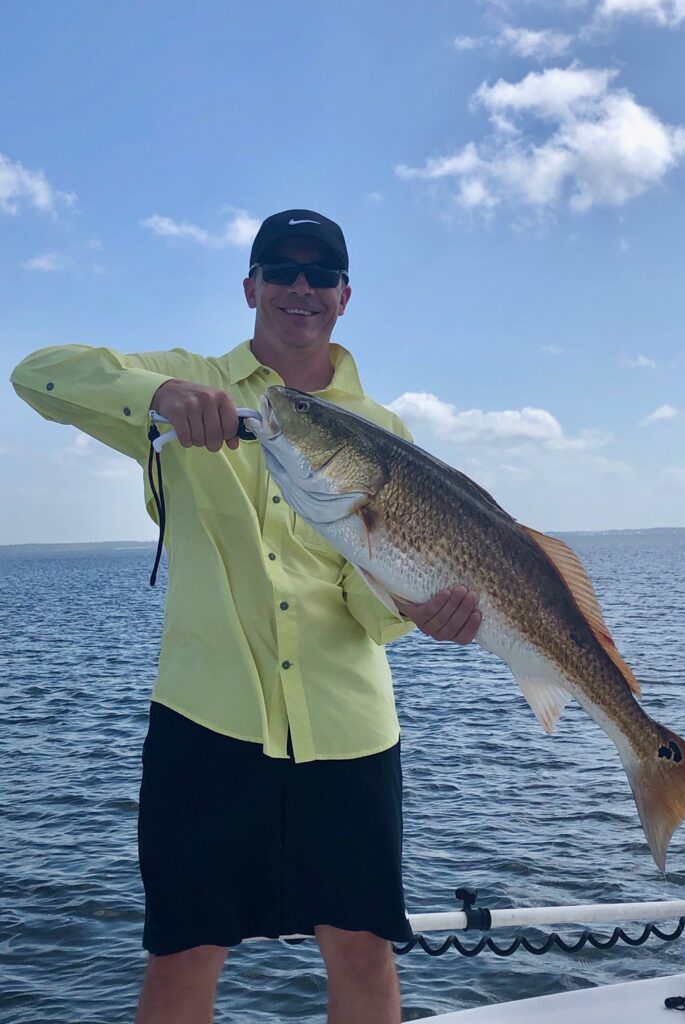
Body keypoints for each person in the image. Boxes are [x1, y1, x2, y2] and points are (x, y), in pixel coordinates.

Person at [11, 209, 482, 1024]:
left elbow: (366, 610)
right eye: (281, 269)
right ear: (250, 286)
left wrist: (416, 612)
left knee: (363, 951)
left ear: (343, 297)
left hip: (349, 727)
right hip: (207, 718)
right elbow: (37, 374)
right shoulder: (186, 381)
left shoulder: (383, 433)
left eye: (319, 274)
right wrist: (155, 393)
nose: (299, 288)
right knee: (183, 955)